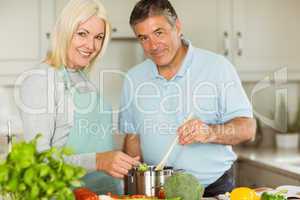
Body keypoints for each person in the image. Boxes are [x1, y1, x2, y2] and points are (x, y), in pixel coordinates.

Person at [119, 0, 256, 197]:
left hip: (212, 189)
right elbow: (132, 139)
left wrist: (210, 132)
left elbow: (247, 129)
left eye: (159, 33)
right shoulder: (133, 78)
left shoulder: (217, 67)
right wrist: (133, 189)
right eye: (143, 38)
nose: (153, 45)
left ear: (178, 27)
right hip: (154, 192)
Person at [17, 0, 139, 195]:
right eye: (82, 34)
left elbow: (98, 139)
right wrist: (99, 160)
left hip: (106, 193)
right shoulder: (40, 80)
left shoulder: (82, 76)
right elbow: (39, 163)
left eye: (98, 37)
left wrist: (120, 160)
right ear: (65, 32)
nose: (91, 45)